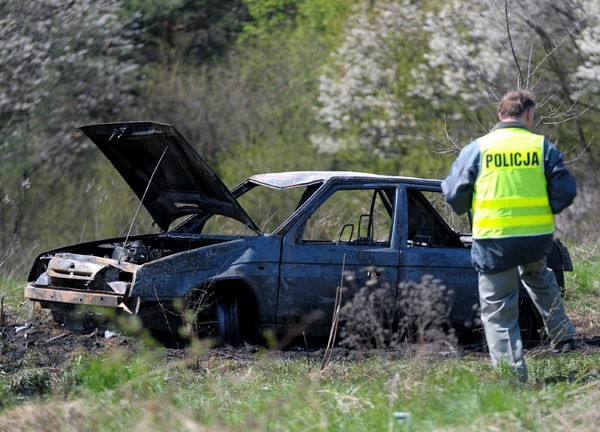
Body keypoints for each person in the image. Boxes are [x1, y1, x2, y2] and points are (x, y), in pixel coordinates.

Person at [442, 89, 577, 382]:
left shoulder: (478, 148)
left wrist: (467, 206)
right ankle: (563, 334)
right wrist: (546, 207)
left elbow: (453, 194)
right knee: (539, 275)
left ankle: (513, 378)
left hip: (495, 240)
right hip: (536, 238)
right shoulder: (542, 147)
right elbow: (566, 191)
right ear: (528, 114)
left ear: (500, 114)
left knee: (500, 311)